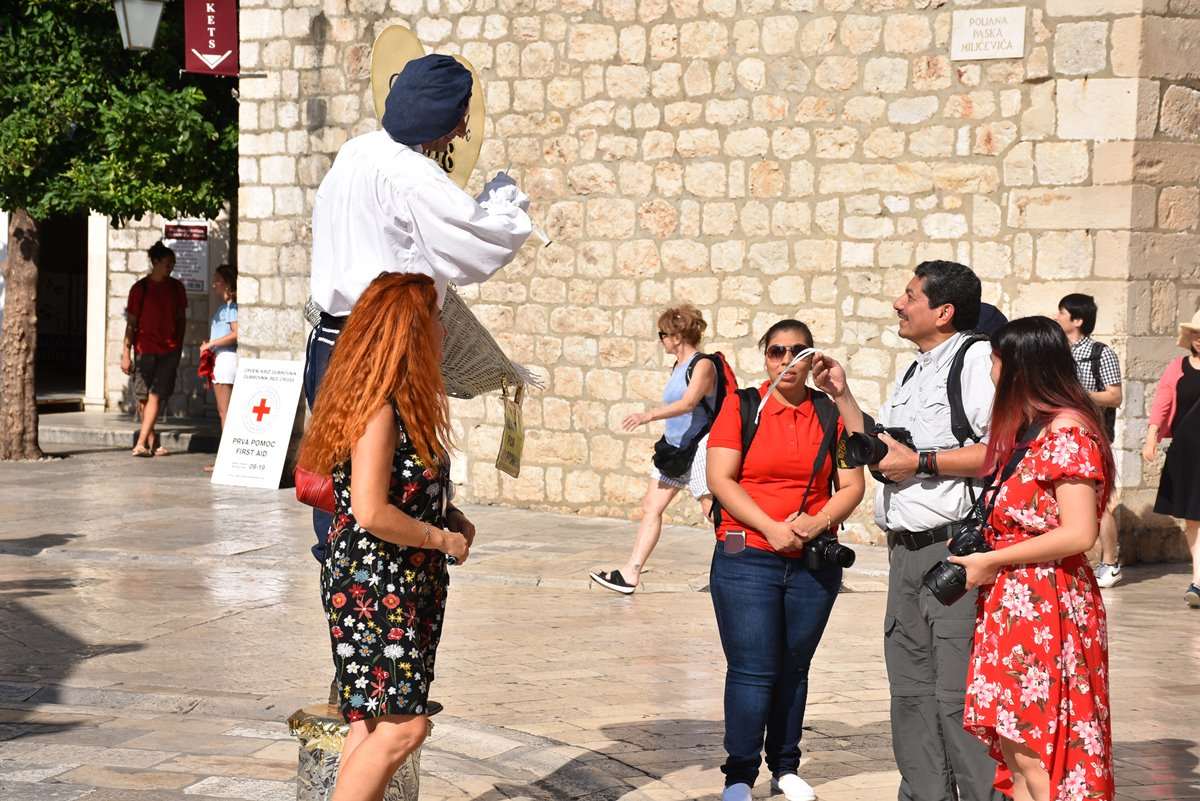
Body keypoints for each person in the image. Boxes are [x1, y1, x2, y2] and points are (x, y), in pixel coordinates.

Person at [306, 53, 532, 561]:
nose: (461, 132)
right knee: (390, 484)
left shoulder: (355, 152)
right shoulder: (411, 175)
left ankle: (345, 588)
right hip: (381, 347)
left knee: (340, 485)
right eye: (461, 117)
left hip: (329, 340)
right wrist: (506, 199)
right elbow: (479, 245)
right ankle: (386, 594)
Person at [811, 261, 1004, 801]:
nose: (898, 303)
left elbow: (999, 450)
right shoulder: (914, 371)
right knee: (911, 693)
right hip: (905, 554)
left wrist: (920, 462)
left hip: (955, 552)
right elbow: (882, 451)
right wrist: (842, 396)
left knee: (957, 697)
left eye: (910, 295)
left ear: (943, 311)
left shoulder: (975, 361)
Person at [297, 273, 475, 801]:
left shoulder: (398, 402)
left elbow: (393, 491)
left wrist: (448, 514)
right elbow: (371, 510)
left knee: (370, 725)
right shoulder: (379, 410)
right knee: (404, 728)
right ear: (410, 333)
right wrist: (441, 540)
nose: (444, 330)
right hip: (375, 582)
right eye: (435, 319)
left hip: (402, 581)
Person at [952, 316, 1115, 801]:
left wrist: (993, 560)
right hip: (1016, 602)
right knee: (1018, 749)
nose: (991, 371)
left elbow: (1080, 532)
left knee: (1041, 751)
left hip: (1049, 604)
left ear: (1019, 367)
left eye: (995, 361)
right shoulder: (1034, 430)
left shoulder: (1067, 434)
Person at [706, 320, 866, 801]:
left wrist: (817, 523)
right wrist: (771, 527)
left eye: (798, 351)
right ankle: (739, 775)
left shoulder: (829, 412)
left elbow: (853, 484)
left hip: (812, 558)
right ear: (765, 357)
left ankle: (785, 767)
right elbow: (721, 479)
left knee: (795, 668)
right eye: (777, 351)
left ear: (812, 358)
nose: (786, 360)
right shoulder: (742, 406)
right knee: (752, 668)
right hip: (747, 552)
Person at [590, 305, 718, 595]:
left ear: (676, 336)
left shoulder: (703, 365)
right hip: (674, 450)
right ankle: (630, 573)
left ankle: (744, 564)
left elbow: (688, 403)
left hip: (700, 447)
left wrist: (648, 415)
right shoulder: (678, 366)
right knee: (651, 507)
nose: (661, 340)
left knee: (711, 511)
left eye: (663, 335)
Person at [1055, 293, 1124, 588]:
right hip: (1062, 435)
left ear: (1078, 320)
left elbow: (1115, 396)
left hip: (1094, 436)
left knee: (1099, 501)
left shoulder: (1101, 353)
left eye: (1062, 313)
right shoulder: (1058, 351)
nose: (1057, 317)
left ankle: (1110, 562)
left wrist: (1078, 396)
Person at [1144, 309, 1200, 607]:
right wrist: (1152, 436)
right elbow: (1163, 403)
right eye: (1195, 334)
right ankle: (1198, 580)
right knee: (1193, 517)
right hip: (1187, 451)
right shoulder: (1177, 367)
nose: (1198, 339)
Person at [121, 241, 188, 458]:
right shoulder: (140, 289)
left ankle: (140, 443)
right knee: (144, 397)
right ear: (155, 262)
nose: (171, 267)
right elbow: (131, 323)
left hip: (168, 349)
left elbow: (181, 318)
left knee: (156, 395)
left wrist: (178, 344)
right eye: (168, 263)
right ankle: (153, 441)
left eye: (173, 263)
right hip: (144, 348)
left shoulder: (176, 288)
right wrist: (126, 353)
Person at [200, 265, 238, 472]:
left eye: (218, 280)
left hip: (226, 359)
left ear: (227, 283)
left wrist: (211, 344)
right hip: (221, 359)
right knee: (224, 411)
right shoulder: (225, 308)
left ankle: (226, 458)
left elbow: (235, 333)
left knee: (225, 412)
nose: (214, 284)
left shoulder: (231, 308)